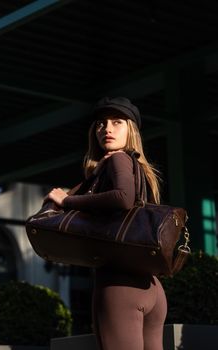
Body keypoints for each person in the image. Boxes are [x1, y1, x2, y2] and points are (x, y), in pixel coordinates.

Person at [45, 96, 167, 350]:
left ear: (130, 129)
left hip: (120, 284)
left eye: (117, 122)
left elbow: (122, 198)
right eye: (101, 124)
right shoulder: (140, 169)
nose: (107, 129)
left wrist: (67, 201)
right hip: (152, 287)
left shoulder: (118, 160)